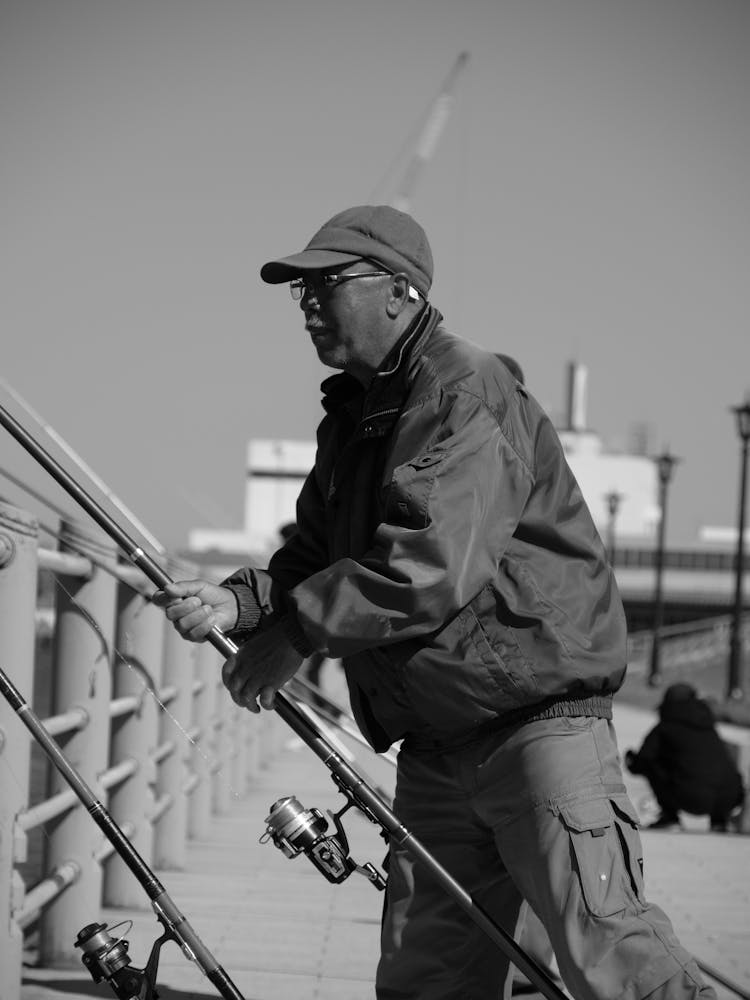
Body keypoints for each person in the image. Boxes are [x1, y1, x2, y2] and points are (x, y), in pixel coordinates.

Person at [154, 204, 715, 999]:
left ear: (399, 291)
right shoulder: (353, 416)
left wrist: (296, 637)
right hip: (435, 747)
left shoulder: (467, 388)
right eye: (299, 290)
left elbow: (429, 566)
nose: (309, 303)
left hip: (537, 732)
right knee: (428, 978)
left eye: (328, 282)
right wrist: (239, 604)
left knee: (615, 961)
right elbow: (316, 555)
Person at [625, 682, 745, 832]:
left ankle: (670, 818)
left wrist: (630, 760)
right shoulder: (709, 727)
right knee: (710, 766)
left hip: (692, 798)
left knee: (653, 765)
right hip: (729, 798)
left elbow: (643, 761)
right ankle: (719, 821)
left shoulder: (665, 727)